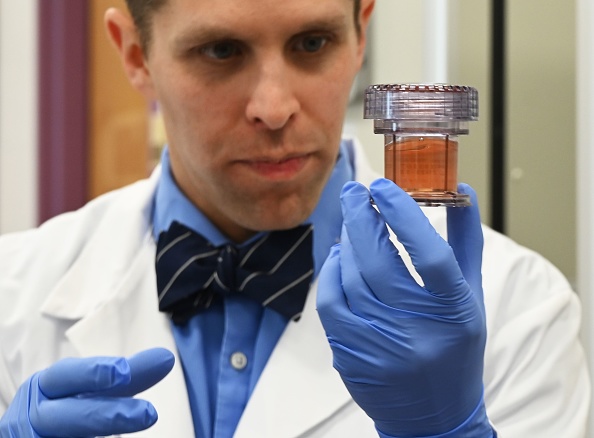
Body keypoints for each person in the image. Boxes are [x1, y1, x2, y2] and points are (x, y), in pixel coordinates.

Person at [0, 0, 589, 436]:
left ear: (361, 32)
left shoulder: (520, 309)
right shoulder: (14, 296)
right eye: (220, 51)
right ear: (136, 54)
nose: (275, 108)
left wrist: (449, 430)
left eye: (311, 44)